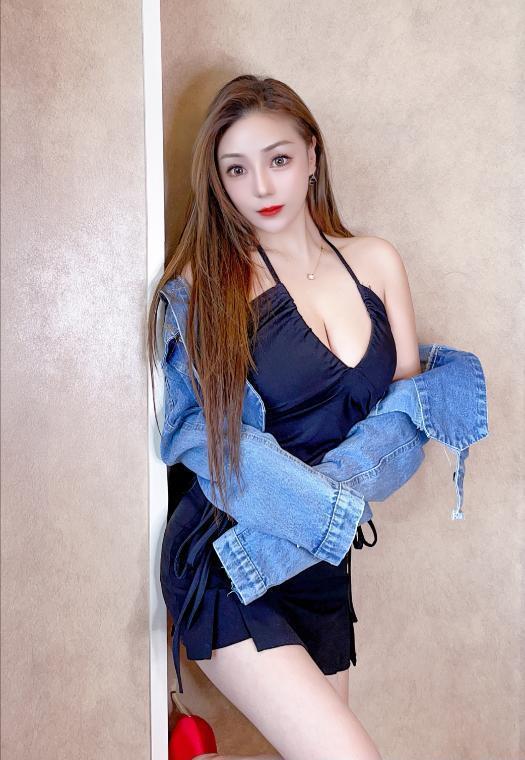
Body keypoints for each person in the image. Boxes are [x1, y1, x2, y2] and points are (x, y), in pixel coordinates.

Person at [148, 74, 420, 760]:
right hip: (232, 551)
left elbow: (407, 414)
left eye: (278, 159)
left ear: (311, 155)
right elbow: (205, 441)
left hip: (319, 559)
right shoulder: (209, 285)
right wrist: (329, 502)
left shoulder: (375, 262)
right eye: (236, 169)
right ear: (218, 181)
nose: (262, 187)